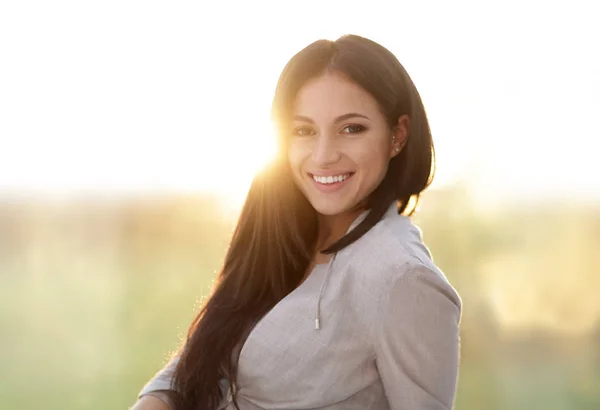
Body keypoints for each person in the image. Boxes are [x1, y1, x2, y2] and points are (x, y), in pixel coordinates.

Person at [131, 34, 462, 410]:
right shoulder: (283, 234)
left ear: (397, 135)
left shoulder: (403, 279)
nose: (323, 156)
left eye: (351, 128)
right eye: (304, 130)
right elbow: (207, 356)